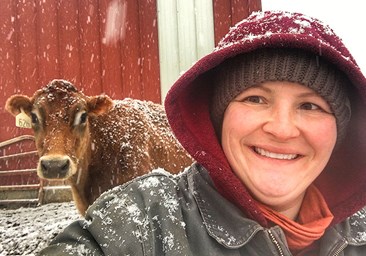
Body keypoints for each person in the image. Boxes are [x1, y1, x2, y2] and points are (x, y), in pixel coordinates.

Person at [39, 10, 366, 255]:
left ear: (341, 131)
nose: (281, 129)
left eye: (310, 106)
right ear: (218, 118)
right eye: (255, 99)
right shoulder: (145, 222)